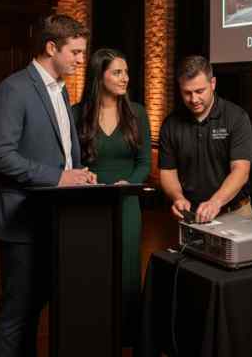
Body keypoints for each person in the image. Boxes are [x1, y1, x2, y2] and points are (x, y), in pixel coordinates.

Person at [0, 14, 94, 357]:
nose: (81, 60)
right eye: (75, 52)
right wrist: (59, 176)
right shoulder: (13, 88)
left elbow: (58, 151)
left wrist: (77, 172)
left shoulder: (60, 91)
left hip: (53, 218)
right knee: (16, 312)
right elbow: (0, 154)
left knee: (35, 307)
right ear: (51, 47)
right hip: (21, 221)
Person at [73, 48, 151, 348]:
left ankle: (127, 338)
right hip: (88, 204)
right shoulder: (77, 113)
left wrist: (128, 183)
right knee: (91, 269)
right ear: (99, 75)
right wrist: (82, 174)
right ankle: (93, 333)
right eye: (117, 72)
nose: (125, 78)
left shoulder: (138, 113)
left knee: (127, 271)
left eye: (126, 72)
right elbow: (70, 160)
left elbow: (144, 163)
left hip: (126, 203)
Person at [159, 55, 252, 224]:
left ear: (213, 84)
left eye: (199, 91)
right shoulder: (170, 124)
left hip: (235, 211)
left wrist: (215, 202)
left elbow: (241, 170)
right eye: (187, 93)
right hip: (192, 215)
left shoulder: (236, 117)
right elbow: (168, 171)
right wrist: (177, 197)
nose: (193, 99)